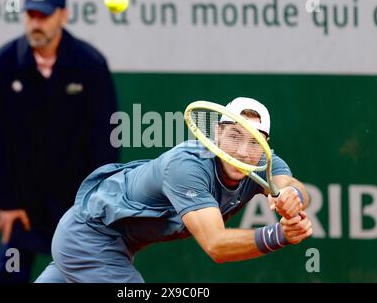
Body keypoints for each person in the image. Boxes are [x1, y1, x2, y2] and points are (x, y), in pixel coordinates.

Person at [35, 96, 313, 283]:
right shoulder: (186, 167)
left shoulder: (262, 160)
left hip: (117, 244)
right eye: (234, 137)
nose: (242, 151)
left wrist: (293, 196)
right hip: (90, 236)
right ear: (217, 133)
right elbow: (216, 245)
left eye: (254, 142)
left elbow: (289, 184)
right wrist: (280, 235)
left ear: (264, 144)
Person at [0, 0, 119, 283]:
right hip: (24, 209)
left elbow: (106, 138)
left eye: (43, 15)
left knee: (89, 277)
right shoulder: (5, 64)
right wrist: (7, 204)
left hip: (77, 204)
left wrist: (96, 201)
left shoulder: (91, 65)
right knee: (9, 275)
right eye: (31, 15)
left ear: (62, 15)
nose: (36, 22)